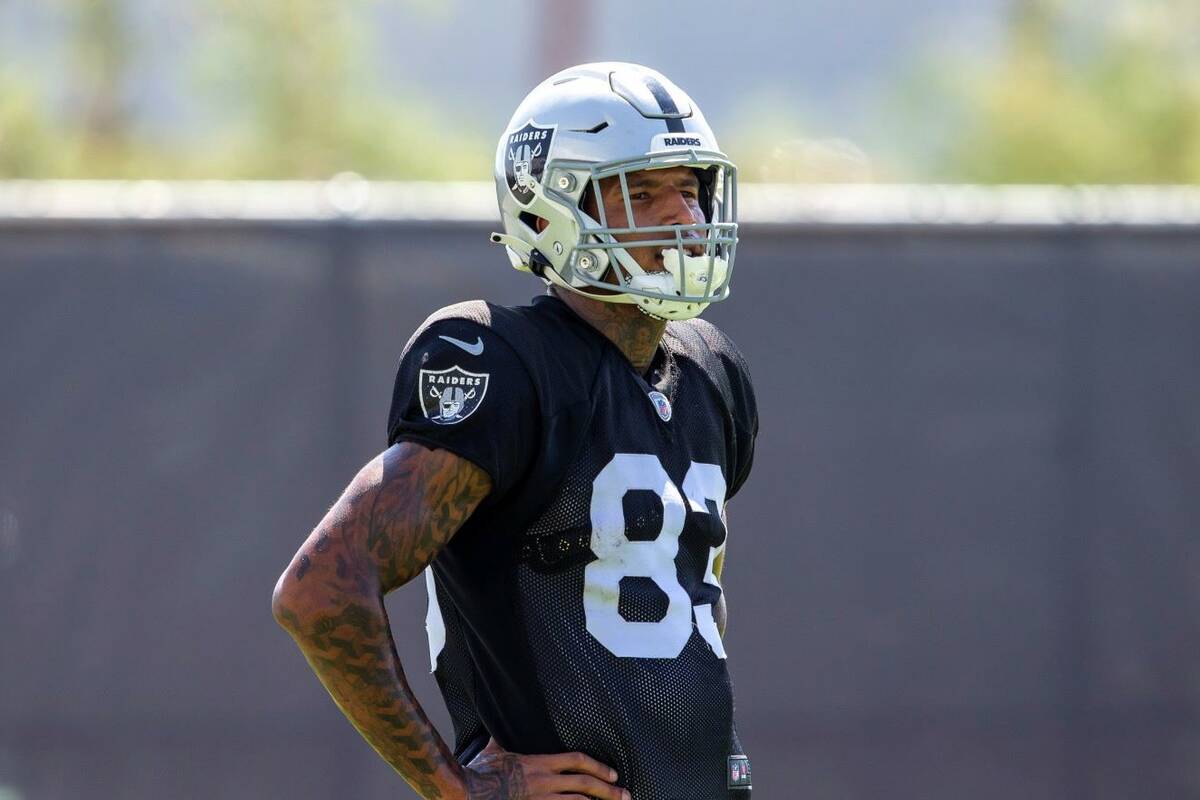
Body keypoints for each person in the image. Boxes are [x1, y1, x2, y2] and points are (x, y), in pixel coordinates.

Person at [272, 62, 758, 800]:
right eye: (643, 193)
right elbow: (319, 591)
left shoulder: (709, 370)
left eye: (689, 190)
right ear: (550, 208)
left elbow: (686, 598)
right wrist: (453, 788)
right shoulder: (504, 364)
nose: (684, 219)